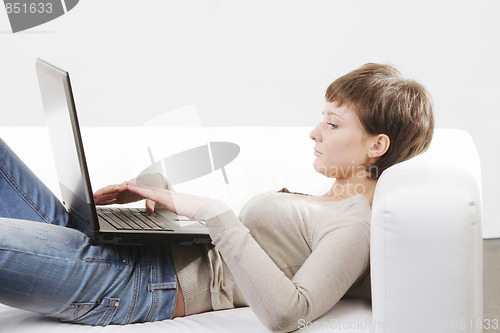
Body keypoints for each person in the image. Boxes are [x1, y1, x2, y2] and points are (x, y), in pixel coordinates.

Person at [0, 63, 434, 332]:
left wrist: (212, 212)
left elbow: (288, 313)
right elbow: (239, 251)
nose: (315, 133)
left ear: (376, 146)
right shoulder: (325, 199)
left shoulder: (355, 224)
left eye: (334, 125)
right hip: (136, 256)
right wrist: (162, 197)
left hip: (135, 283)